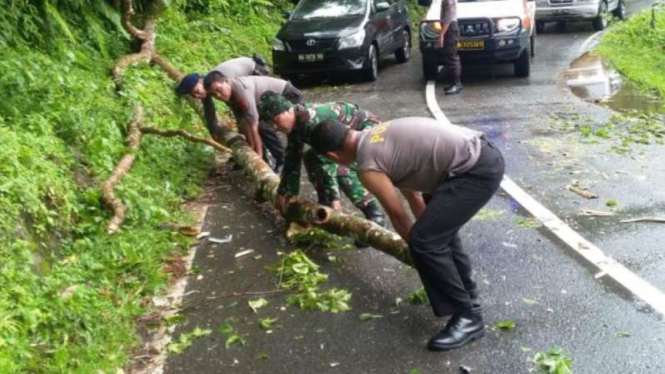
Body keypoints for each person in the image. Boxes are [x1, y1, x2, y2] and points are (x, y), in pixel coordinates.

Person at [307, 117, 505, 351]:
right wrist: (427, 245)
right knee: (436, 236)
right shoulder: (375, 134)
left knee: (425, 241)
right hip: (478, 156)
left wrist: (419, 251)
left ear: (333, 156)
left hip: (474, 170)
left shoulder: (367, 165)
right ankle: (469, 302)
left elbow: (398, 215)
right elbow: (413, 195)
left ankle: (468, 318)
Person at [257, 92, 386, 228]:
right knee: (311, 158)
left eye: (276, 119)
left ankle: (374, 214)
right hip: (342, 139)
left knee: (342, 169)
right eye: (271, 124)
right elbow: (292, 159)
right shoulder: (296, 124)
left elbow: (328, 160)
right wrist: (284, 193)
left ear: (288, 110)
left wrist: (335, 198)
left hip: (368, 132)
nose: (275, 127)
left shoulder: (311, 122)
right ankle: (325, 206)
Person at [204, 74, 302, 172]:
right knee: (261, 126)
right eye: (214, 95)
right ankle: (270, 161)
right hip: (269, 102)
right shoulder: (229, 94)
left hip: (288, 94)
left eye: (219, 90)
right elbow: (243, 120)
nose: (218, 96)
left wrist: (258, 158)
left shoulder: (241, 91)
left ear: (226, 81)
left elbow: (254, 125)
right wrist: (251, 146)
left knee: (264, 127)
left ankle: (282, 161)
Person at [438, 0, 462, 95]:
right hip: (450, 27)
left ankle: (456, 84)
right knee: (449, 55)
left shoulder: (448, 1)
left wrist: (441, 35)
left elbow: (448, 19)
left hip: (450, 28)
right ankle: (453, 83)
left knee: (452, 56)